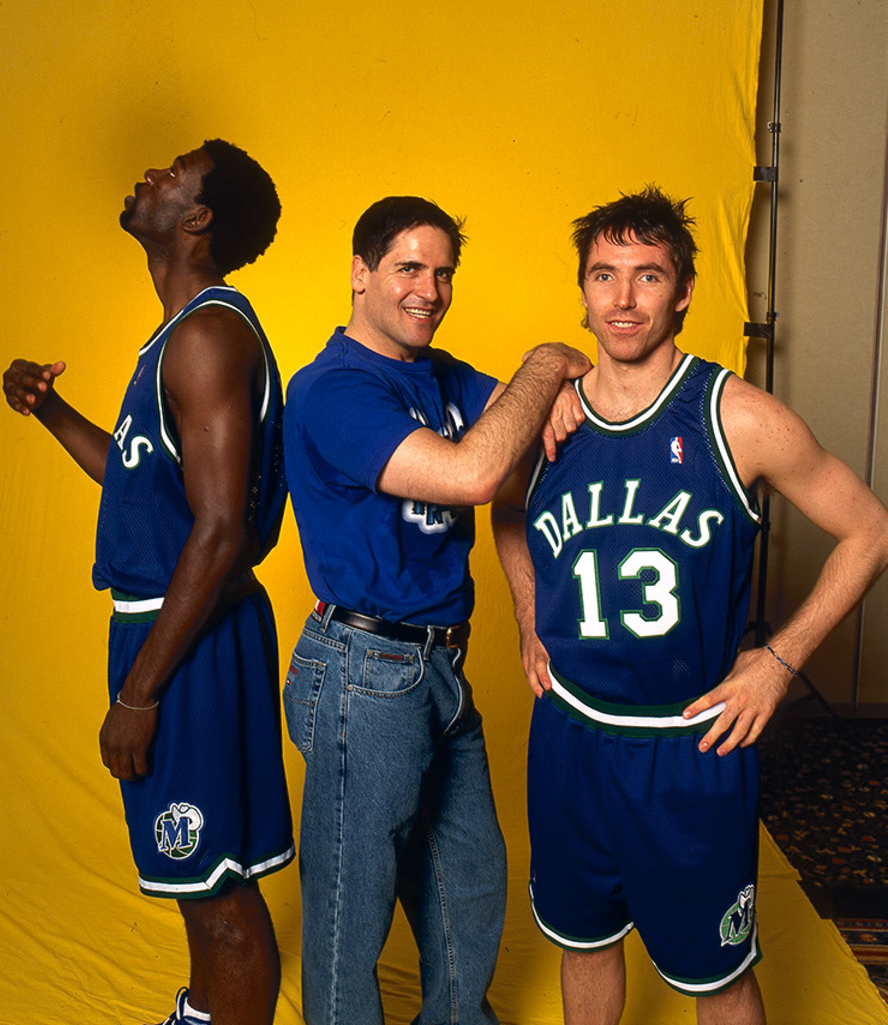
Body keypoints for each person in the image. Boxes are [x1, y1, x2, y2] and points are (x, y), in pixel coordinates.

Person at [491, 186, 888, 1025]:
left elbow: (868, 530)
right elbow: (504, 507)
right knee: (583, 941)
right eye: (605, 276)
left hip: (689, 745)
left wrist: (779, 661)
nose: (624, 299)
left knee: (717, 981)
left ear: (684, 290)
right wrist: (530, 617)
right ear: (584, 289)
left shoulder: (734, 417)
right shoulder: (544, 415)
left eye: (648, 275)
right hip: (570, 734)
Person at [2, 140, 294, 1025]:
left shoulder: (207, 336)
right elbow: (146, 483)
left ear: (197, 218)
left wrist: (139, 691)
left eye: (175, 171)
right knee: (199, 877)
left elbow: (218, 530)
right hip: (176, 623)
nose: (151, 174)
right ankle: (202, 1013)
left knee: (218, 891)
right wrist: (50, 410)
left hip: (187, 637)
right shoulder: (180, 337)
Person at [281, 194, 590, 1025]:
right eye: (409, 268)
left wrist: (531, 621)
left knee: (471, 879)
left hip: (440, 665)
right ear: (360, 274)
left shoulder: (446, 377)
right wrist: (551, 356)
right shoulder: (332, 390)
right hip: (363, 670)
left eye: (444, 272)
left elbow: (528, 460)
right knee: (354, 907)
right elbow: (471, 476)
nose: (430, 289)